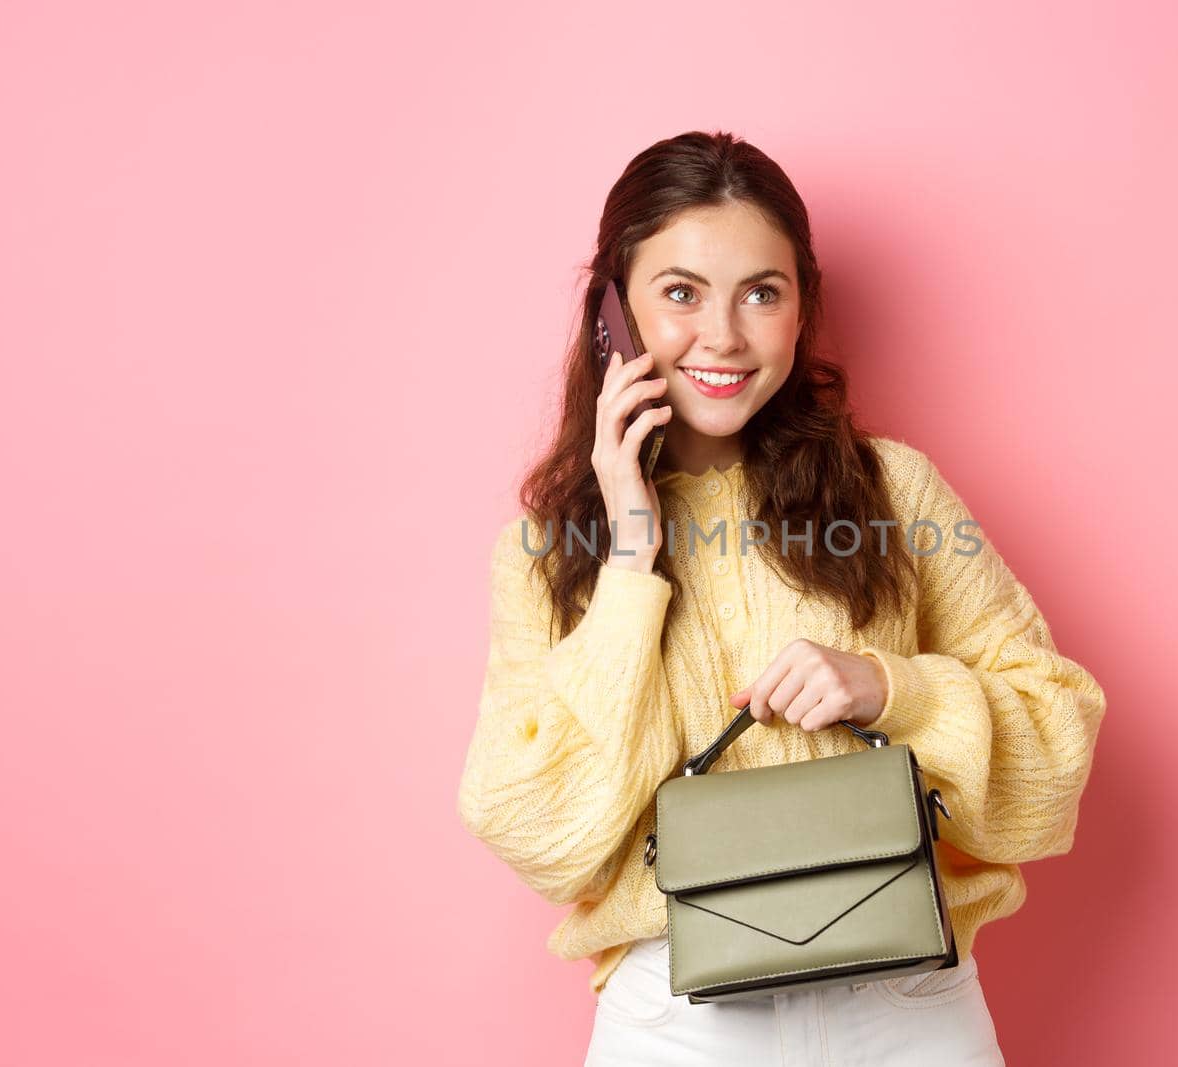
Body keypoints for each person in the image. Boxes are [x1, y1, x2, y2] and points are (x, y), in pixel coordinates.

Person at [456, 130, 1107, 1066]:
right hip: (677, 1024)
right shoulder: (547, 553)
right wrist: (633, 559)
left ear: (802, 307)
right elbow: (543, 833)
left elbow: (1057, 751)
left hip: (906, 1008)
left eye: (761, 292)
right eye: (680, 293)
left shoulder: (895, 493)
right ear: (614, 314)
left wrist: (891, 688)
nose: (722, 336)